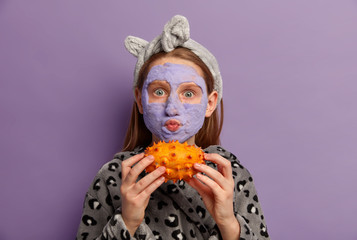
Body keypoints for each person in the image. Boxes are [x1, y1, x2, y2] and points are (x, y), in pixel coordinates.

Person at [76, 15, 270, 240]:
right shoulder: (114, 176)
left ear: (210, 103)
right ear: (140, 100)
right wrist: (127, 221)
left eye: (188, 93)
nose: (172, 108)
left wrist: (228, 222)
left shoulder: (231, 175)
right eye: (159, 91)